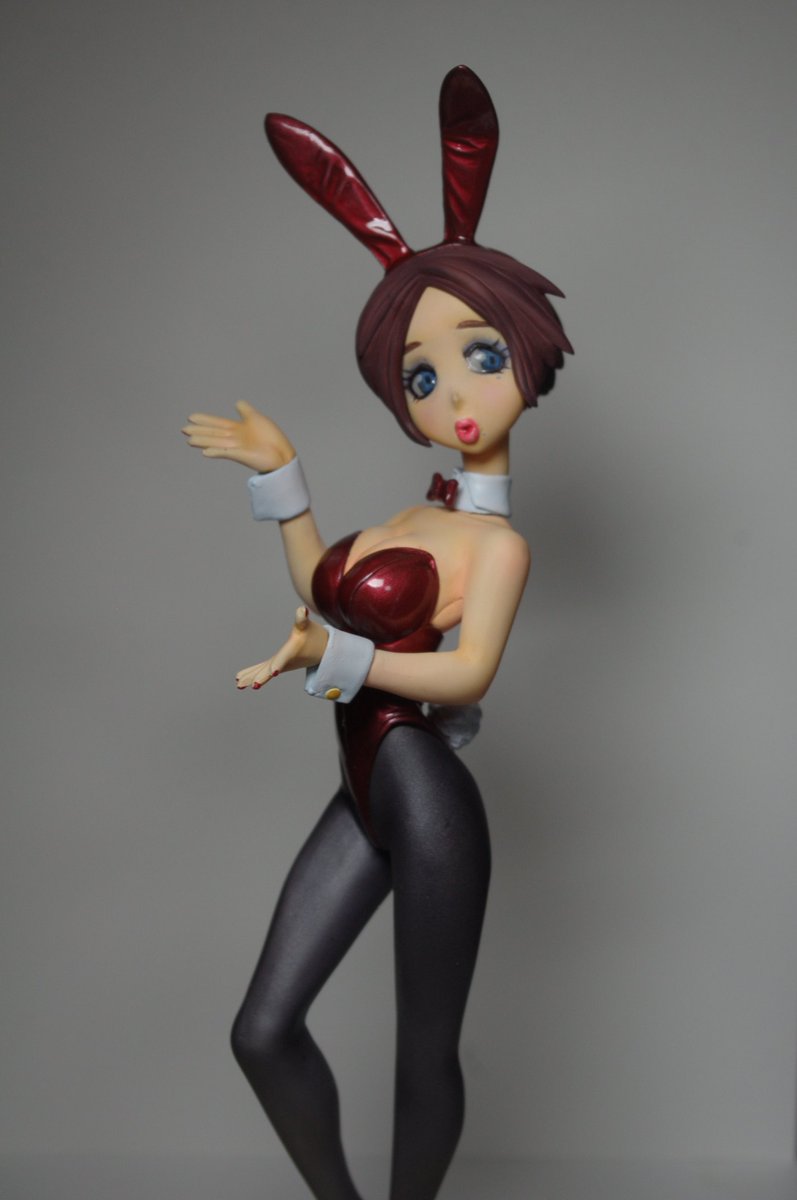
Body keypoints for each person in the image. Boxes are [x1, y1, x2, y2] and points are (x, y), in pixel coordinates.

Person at [182, 66, 571, 1200]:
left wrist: (334, 658)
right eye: (420, 373)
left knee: (421, 1053)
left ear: (526, 349)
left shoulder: (496, 548)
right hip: (364, 787)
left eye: (480, 354)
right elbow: (324, 595)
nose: (453, 393)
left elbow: (467, 672)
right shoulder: (412, 516)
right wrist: (285, 480)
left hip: (427, 791)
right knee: (263, 1031)